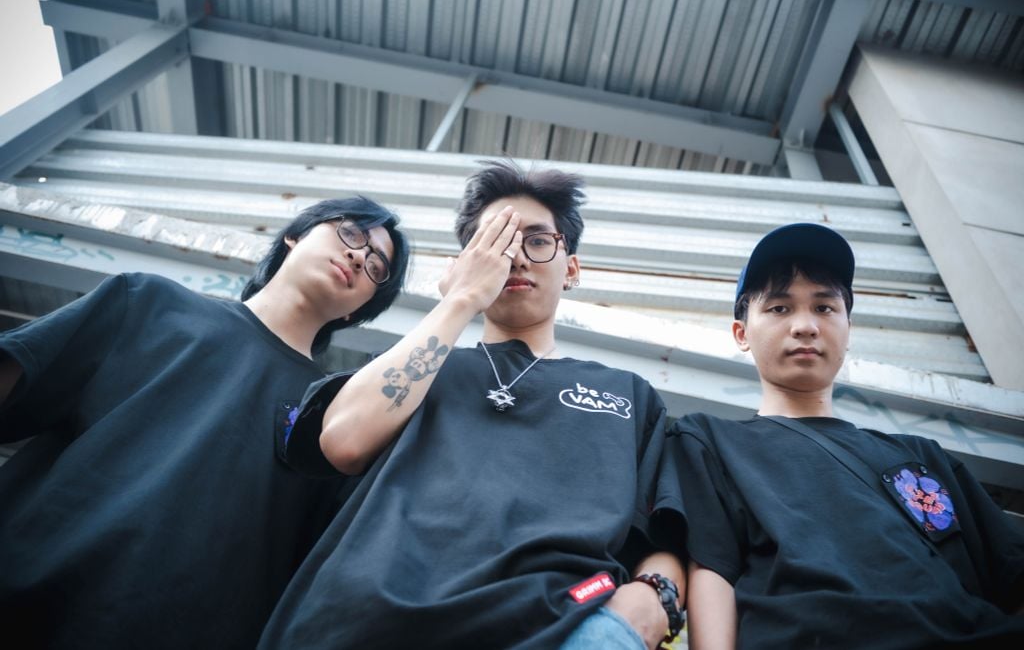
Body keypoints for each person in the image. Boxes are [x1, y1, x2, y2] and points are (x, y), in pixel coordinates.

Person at [259, 161, 685, 650]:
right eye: (495, 242)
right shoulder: (415, 366)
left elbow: (663, 538)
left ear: (571, 268)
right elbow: (343, 441)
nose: (516, 257)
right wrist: (461, 299)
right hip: (359, 626)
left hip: (557, 628)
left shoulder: (628, 395)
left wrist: (648, 604)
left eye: (537, 241)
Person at [0, 197, 410, 649]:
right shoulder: (149, 302)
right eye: (351, 233)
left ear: (357, 311)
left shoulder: (334, 422)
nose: (358, 256)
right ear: (294, 237)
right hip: (26, 594)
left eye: (377, 266)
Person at [661, 223, 1024, 649]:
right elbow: (712, 570)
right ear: (742, 333)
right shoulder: (709, 440)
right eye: (779, 308)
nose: (805, 326)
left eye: (824, 307)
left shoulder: (923, 456)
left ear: (848, 329)